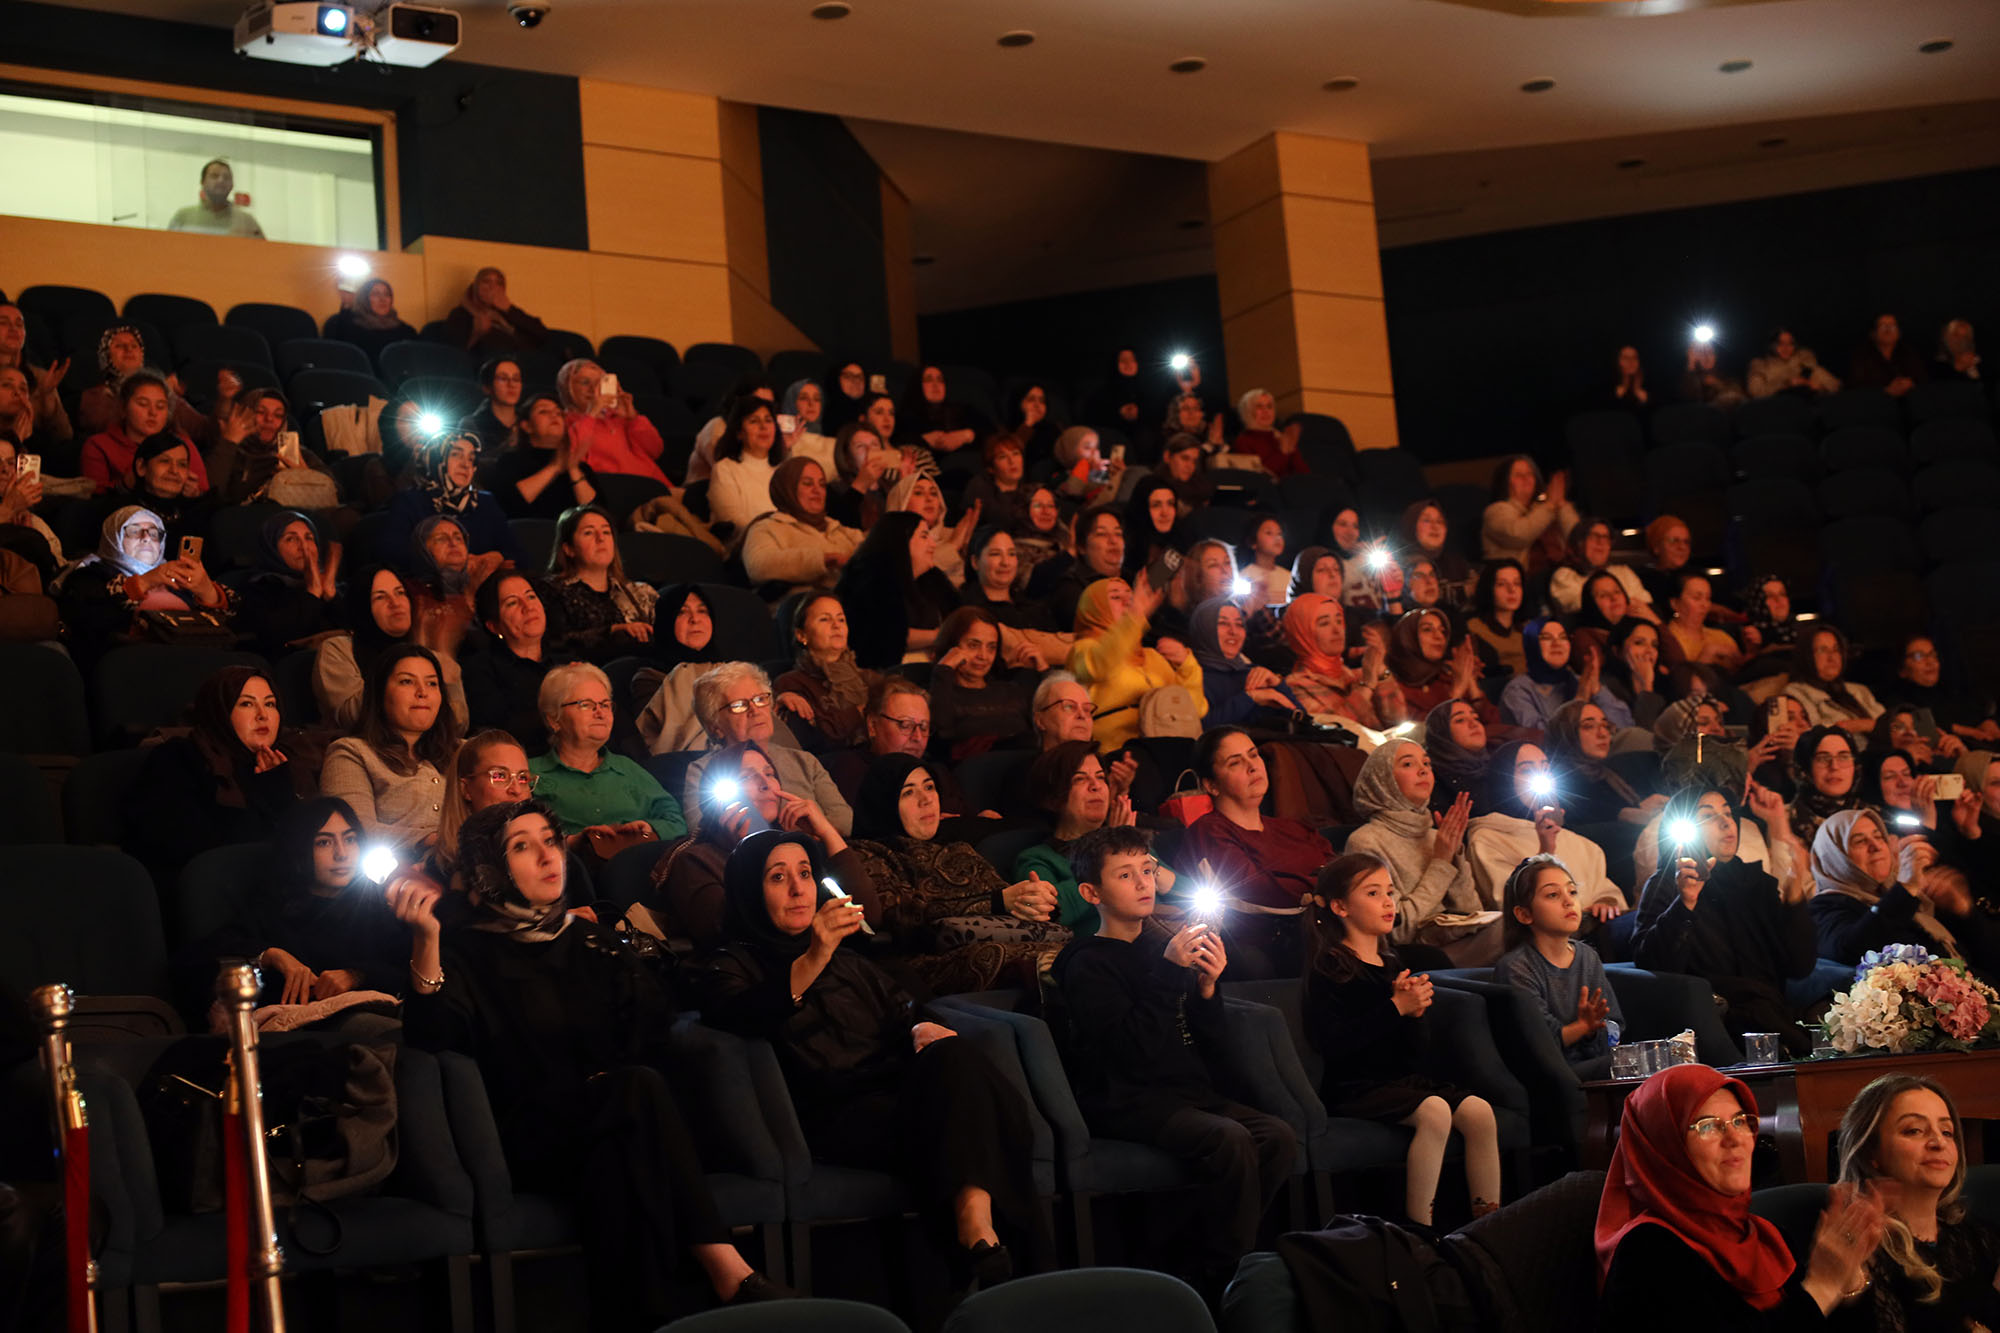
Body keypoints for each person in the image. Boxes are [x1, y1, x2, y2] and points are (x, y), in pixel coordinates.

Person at [398, 800, 790, 1321]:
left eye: (550, 839)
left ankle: (651, 1319)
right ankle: (728, 1270)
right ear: (491, 871)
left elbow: (652, 1024)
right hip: (530, 1133)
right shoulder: (467, 948)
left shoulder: (589, 939)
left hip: (616, 1121)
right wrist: (426, 942)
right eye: (521, 846)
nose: (546, 854)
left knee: (621, 1155)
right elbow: (433, 1035)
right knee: (633, 1097)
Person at [698, 828, 1040, 1284]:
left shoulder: (846, 959)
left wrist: (919, 1024)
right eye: (778, 878)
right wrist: (816, 953)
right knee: (986, 1113)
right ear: (748, 889)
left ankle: (976, 1224)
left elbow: (904, 1007)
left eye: (805, 873)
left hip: (900, 1093)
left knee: (953, 1053)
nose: (800, 889)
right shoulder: (729, 963)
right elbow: (744, 1016)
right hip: (835, 1114)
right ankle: (1013, 1258)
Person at [1052, 825, 1296, 1296]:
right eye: (1125, 875)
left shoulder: (1161, 945)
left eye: (1147, 870)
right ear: (1091, 892)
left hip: (1184, 1090)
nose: (1144, 884)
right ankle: (1224, 1276)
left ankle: (1205, 1255)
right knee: (1228, 1140)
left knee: (1277, 1136)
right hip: (1126, 1097)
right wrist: (1169, 972)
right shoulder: (1087, 962)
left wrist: (1206, 991)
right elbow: (1130, 1049)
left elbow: (1204, 1042)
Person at [1595, 1064, 1886, 1330]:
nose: (1735, 1138)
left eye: (1739, 1121)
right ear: (1663, 1149)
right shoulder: (1648, 1251)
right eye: (1707, 1125)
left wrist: (1848, 1281)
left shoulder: (1767, 1237)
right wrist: (1823, 1286)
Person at [1302, 852, 1500, 1226]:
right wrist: (1396, 1007)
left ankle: (1487, 1222)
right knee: (1435, 1111)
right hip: (1355, 1086)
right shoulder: (1330, 965)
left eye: (1390, 892)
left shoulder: (1392, 963)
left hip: (1399, 1080)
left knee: (1479, 1112)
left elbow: (1412, 1052)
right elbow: (1335, 1042)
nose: (1388, 902)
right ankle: (1419, 1228)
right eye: (1373, 893)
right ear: (1340, 906)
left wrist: (1415, 1014)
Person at [848, 754, 1068, 993]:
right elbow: (902, 919)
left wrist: (1035, 901)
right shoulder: (869, 854)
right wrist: (997, 902)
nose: (926, 800)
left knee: (1076, 951)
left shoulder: (958, 848)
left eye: (930, 787)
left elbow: (1008, 902)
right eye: (908, 792)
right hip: (927, 963)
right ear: (885, 802)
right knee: (1008, 958)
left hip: (1006, 943)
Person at [1631, 784, 1818, 1053]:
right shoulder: (1666, 883)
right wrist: (1685, 903)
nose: (1725, 822)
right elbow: (1652, 962)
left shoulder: (1757, 883)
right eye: (1708, 816)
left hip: (1768, 1010)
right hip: (1708, 1019)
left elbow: (1800, 967)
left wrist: (1794, 896)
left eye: (1728, 814)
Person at [652, 740, 878, 948]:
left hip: (834, 968)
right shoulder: (694, 860)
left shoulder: (795, 847)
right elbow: (722, 933)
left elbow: (867, 913)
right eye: (746, 777)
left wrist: (827, 832)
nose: (765, 784)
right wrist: (748, 854)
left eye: (769, 774)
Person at [1832, 1074, 2000, 1333]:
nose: (1938, 1142)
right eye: (1914, 1130)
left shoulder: (1981, 1237)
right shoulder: (1859, 1253)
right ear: (1870, 1151)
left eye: (1947, 1131)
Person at [124, 665, 318, 883]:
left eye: (270, 704)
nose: (263, 715)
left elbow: (308, 846)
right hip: (208, 889)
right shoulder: (179, 759)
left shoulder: (287, 763)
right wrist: (265, 793)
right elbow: (203, 850)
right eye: (246, 704)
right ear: (220, 712)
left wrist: (279, 791)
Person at [1178, 728, 1332, 978]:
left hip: (1317, 932)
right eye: (1235, 762)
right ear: (1211, 785)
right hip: (1261, 944)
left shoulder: (1293, 828)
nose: (1252, 767)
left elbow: (1340, 873)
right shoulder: (1208, 832)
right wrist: (1319, 892)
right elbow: (1257, 890)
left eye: (1254, 755)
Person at [1344, 738, 1496, 965]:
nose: (1423, 770)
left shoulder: (1437, 836)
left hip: (1459, 941)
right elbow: (1397, 931)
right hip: (1418, 956)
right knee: (1526, 931)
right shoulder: (1365, 841)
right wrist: (1441, 862)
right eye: (1408, 764)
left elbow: (1470, 911)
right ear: (1382, 780)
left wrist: (1454, 854)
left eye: (1426, 763)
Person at [528, 662, 687, 857]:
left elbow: (676, 821)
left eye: (605, 705)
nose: (601, 713)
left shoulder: (628, 769)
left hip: (639, 867)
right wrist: (571, 841)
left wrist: (649, 828)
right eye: (586, 704)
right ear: (554, 719)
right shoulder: (530, 774)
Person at [1012, 743, 1173, 934]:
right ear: (1052, 798)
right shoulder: (1037, 859)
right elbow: (1054, 911)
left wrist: (1144, 863)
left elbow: (1190, 892)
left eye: (1100, 777)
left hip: (1171, 937)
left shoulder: (1130, 847)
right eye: (1080, 779)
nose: (1096, 786)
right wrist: (1109, 855)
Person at [1810, 808, 1995, 972]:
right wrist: (1906, 888)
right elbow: (1850, 950)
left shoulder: (1917, 897)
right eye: (1860, 841)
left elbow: (1989, 957)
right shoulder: (1824, 907)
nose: (1875, 847)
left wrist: (1965, 912)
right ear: (1835, 857)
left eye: (1879, 836)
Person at [681, 663, 854, 836]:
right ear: (715, 725)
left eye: (760, 699)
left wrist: (813, 834)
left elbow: (844, 820)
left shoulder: (804, 761)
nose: (755, 710)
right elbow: (700, 831)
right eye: (739, 705)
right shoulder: (703, 770)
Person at [53, 504, 230, 671]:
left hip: (193, 659)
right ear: (113, 538)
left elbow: (229, 626)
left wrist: (207, 591)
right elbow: (90, 621)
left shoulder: (178, 576)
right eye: (134, 531)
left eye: (154, 534)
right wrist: (144, 582)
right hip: (132, 666)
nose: (146, 538)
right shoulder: (90, 575)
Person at [320, 645, 461, 851]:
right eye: (407, 681)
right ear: (380, 693)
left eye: (432, 683)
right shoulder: (351, 752)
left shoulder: (464, 752)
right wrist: (432, 839)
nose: (422, 693)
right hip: (389, 875)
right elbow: (353, 830)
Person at [1496, 854, 1624, 1078]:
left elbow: (1614, 1025)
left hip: (1593, 1063)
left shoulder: (1587, 956)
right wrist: (1583, 1027)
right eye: (1553, 894)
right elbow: (1537, 1044)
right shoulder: (1517, 967)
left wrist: (1594, 1031)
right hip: (1549, 1074)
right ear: (1524, 914)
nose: (1569, 901)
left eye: (1572, 891)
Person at [1467, 740, 1626, 919]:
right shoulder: (1487, 838)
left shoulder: (1581, 843)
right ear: (1503, 781)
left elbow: (1605, 891)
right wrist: (1545, 850)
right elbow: (1512, 903)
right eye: (1527, 770)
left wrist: (1606, 902)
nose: (1540, 776)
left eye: (1545, 768)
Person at [313, 566, 466, 731]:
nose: (395, 603)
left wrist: (445, 669)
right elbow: (353, 717)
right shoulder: (338, 650)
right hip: (365, 751)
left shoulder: (434, 658)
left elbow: (458, 727)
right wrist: (405, 664)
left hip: (429, 752)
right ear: (363, 608)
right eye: (380, 597)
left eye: (400, 593)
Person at [1067, 575, 1206, 749]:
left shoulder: (1153, 657)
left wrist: (1187, 666)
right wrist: (1134, 616)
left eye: (1131, 597)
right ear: (1094, 608)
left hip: (1164, 750)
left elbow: (1195, 709)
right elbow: (1100, 664)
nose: (1128, 602)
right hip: (1116, 754)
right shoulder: (1082, 650)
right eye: (1116, 597)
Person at [461, 571, 571, 747]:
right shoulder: (480, 669)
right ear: (494, 626)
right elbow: (499, 732)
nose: (528, 607)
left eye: (531, 597)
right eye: (512, 603)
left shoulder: (568, 664)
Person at [383, 433, 524, 567]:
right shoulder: (410, 502)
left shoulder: (485, 502)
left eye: (471, 458)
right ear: (435, 459)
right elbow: (393, 555)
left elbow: (517, 555)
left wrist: (495, 557)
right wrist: (449, 564)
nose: (466, 465)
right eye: (456, 455)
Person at [556, 358, 674, 519]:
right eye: (585, 382)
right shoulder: (565, 421)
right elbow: (574, 457)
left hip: (656, 490)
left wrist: (633, 418)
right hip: (618, 499)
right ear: (568, 389)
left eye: (600, 382)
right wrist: (592, 412)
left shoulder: (619, 417)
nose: (593, 389)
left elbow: (655, 450)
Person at [545, 504, 656, 662]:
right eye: (589, 532)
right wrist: (612, 631)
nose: (601, 538)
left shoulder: (641, 593)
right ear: (568, 549)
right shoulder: (551, 590)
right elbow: (555, 642)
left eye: (606, 532)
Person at [774, 593, 881, 750]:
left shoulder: (870, 679)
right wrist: (857, 712)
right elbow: (816, 740)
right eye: (825, 619)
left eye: (841, 619)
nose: (836, 625)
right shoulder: (791, 684)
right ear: (801, 635)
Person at [80, 369, 212, 496]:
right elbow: (94, 498)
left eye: (160, 406)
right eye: (143, 404)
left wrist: (195, 493)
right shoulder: (99, 445)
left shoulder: (182, 446)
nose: (153, 413)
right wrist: (125, 484)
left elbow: (204, 492)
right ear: (123, 408)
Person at [740, 457, 862, 594]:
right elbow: (759, 566)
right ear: (788, 489)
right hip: (801, 607)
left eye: (822, 484)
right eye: (807, 483)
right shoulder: (768, 527)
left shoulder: (839, 529)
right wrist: (824, 559)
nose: (817, 490)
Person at [929, 606, 1039, 755]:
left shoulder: (1010, 690)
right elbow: (939, 737)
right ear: (951, 646)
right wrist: (944, 670)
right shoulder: (939, 693)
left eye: (991, 648)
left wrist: (1044, 671)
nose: (983, 656)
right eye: (973, 645)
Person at [236, 509, 342, 659]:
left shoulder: (332, 586)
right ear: (272, 548)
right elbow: (280, 639)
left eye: (309, 538)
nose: (303, 547)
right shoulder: (260, 589)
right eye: (291, 539)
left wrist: (331, 595)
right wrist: (312, 594)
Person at [635, 586, 728, 754]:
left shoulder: (728, 671)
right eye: (681, 612)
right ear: (666, 622)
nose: (695, 619)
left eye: (703, 611)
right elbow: (668, 742)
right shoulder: (650, 678)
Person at [205, 388, 337, 507]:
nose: (269, 419)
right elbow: (209, 494)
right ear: (245, 414)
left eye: (278, 415)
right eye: (260, 412)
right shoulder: (229, 448)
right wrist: (229, 443)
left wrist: (307, 476)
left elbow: (336, 491)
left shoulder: (296, 453)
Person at [1547, 699, 1665, 827]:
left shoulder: (1606, 774)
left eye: (1605, 726)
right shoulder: (1558, 782)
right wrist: (1625, 814)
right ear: (1567, 733)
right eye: (1589, 726)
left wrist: (1642, 806)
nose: (1603, 734)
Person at [1500, 618, 1631, 732]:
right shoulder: (1518, 690)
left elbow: (1624, 728)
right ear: (1532, 645)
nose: (1557, 643)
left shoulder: (1582, 681)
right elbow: (1542, 737)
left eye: (1563, 637)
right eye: (1546, 638)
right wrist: (1580, 701)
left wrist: (1597, 690)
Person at [486, 392, 600, 520]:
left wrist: (573, 469)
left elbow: (598, 514)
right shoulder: (510, 461)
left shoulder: (581, 468)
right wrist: (554, 467)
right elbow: (509, 504)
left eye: (559, 413)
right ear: (527, 426)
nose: (554, 415)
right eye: (543, 412)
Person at [1280, 593, 1388, 728]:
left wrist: (1381, 670)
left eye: (1339, 621)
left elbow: (1397, 719)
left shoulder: (1350, 675)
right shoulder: (1296, 688)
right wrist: (1367, 685)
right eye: (1324, 623)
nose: (1337, 630)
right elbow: (1336, 732)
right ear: (1302, 634)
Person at [1191, 597, 1297, 727]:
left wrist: (1278, 683)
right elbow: (1199, 728)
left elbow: (1302, 723)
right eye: (1223, 623)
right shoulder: (1193, 676)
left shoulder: (1253, 673)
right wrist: (1250, 698)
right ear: (1205, 628)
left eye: (1239, 624)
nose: (1233, 632)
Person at [1384, 607, 1487, 722]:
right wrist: (1457, 690)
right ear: (1407, 637)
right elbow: (1423, 733)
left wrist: (1471, 683)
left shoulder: (1447, 675)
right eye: (1427, 629)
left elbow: (1492, 721)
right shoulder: (1392, 685)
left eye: (1442, 631)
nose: (1439, 637)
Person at [1481, 454, 1576, 566]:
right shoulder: (1496, 511)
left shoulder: (1542, 508)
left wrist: (1561, 503)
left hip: (1559, 574)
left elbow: (1578, 539)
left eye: (1529, 474)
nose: (1526, 479)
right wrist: (1550, 505)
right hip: (1517, 580)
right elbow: (1519, 535)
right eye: (1519, 475)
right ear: (1505, 481)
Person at [1783, 628, 1883, 734]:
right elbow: (1810, 733)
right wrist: (1859, 725)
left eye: (1836, 650)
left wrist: (1867, 725)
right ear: (1807, 656)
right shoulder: (1796, 692)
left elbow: (1889, 723)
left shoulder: (1859, 690)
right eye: (1823, 650)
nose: (1832, 657)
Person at [1548, 518, 1653, 619]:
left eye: (1606, 537)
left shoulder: (1623, 572)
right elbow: (1584, 606)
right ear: (1579, 543)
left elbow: (1644, 602)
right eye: (1594, 536)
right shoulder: (1564, 576)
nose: (1601, 542)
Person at [708, 397, 785, 531]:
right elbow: (731, 520)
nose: (763, 426)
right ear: (739, 433)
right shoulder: (725, 469)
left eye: (768, 420)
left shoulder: (783, 471)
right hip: (747, 545)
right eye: (754, 421)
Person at [889, 472, 975, 588]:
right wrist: (952, 546)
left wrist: (968, 548)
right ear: (901, 501)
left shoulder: (954, 533)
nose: (929, 499)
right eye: (919, 493)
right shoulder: (885, 541)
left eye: (934, 494)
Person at [444, 267, 550, 357]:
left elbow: (543, 334)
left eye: (499, 283)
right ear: (475, 286)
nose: (493, 287)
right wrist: (477, 333)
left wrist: (510, 309)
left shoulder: (509, 313)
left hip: (524, 362)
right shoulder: (460, 314)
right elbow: (454, 357)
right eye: (486, 281)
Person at [1789, 727, 1865, 848]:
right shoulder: (1783, 821)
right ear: (1805, 769)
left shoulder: (1876, 818)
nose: (1834, 766)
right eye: (1823, 758)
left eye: (1844, 757)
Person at [323, 278, 416, 369]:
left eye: (387, 294)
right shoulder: (350, 326)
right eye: (375, 294)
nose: (382, 299)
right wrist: (347, 305)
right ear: (364, 298)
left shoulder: (405, 330)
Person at [1662, 573, 1747, 672]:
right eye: (1696, 598)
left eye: (1708, 598)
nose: (1705, 605)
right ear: (1675, 603)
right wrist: (1707, 655)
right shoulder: (1669, 641)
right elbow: (1680, 684)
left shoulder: (1721, 637)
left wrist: (1751, 652)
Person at [166, 158, 264, 237]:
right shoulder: (183, 217)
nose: (221, 180)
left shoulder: (247, 222)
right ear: (202, 182)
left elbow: (262, 256)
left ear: (232, 185)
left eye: (226, 177)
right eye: (214, 176)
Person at [1122, 478, 1193, 585]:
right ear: (1142, 509)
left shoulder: (1183, 540)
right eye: (1156, 505)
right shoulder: (1126, 546)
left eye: (1170, 504)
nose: (1165, 513)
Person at [900, 366, 982, 456]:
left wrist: (966, 435)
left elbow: (991, 433)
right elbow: (897, 440)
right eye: (928, 380)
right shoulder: (906, 417)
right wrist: (924, 440)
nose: (936, 384)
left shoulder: (963, 410)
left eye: (940, 380)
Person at [1228, 389, 1305, 478]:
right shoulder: (1243, 441)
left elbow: (1304, 475)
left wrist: (1291, 446)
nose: (1266, 411)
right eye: (1259, 407)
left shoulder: (1280, 437)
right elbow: (1260, 477)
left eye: (1269, 406)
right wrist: (1282, 452)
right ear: (1248, 412)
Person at [960, 435, 1029, 533]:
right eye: (1002, 457)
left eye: (1015, 453)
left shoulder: (1031, 492)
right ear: (991, 468)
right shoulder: (980, 490)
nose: (1012, 461)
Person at [461, 358, 526, 461]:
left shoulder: (528, 419)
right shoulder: (473, 424)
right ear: (487, 387)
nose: (511, 385)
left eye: (516, 379)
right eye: (503, 379)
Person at [1849, 314, 1927, 397]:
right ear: (1873, 333)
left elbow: (1922, 379)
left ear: (1899, 333)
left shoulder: (1908, 353)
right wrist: (1886, 391)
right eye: (1883, 326)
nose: (1888, 330)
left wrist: (1910, 384)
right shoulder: (1862, 357)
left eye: (1892, 326)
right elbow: (1856, 388)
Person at [1747, 329, 1840, 398]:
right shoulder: (1761, 365)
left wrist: (1810, 384)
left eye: (1790, 343)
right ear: (1772, 345)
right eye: (1780, 343)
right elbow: (1756, 392)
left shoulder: (1804, 362)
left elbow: (1835, 385)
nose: (1786, 348)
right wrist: (1785, 384)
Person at [777, 379, 836, 476]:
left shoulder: (833, 444)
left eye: (817, 399)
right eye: (804, 398)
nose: (811, 404)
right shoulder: (783, 442)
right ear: (792, 401)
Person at [1638, 515, 1696, 608]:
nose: (1682, 547)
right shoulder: (1640, 581)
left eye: (1686, 542)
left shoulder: (1699, 578)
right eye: (1674, 541)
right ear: (1656, 546)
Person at [1681, 339, 1746, 408]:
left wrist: (1717, 383)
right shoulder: (1690, 378)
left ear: (1716, 356)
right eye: (1700, 352)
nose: (1705, 356)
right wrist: (1691, 365)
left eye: (1709, 352)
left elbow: (1738, 398)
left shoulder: (1729, 377)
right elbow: (1684, 397)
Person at [1933, 319, 1982, 383]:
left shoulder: (1977, 359)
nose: (1961, 340)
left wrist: (1971, 368)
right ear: (1947, 337)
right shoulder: (1940, 362)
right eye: (1956, 335)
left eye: (1965, 337)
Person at [1605, 345, 1650, 413]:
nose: (1630, 361)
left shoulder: (1649, 385)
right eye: (1625, 358)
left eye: (1634, 358)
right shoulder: (1608, 386)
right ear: (1617, 361)